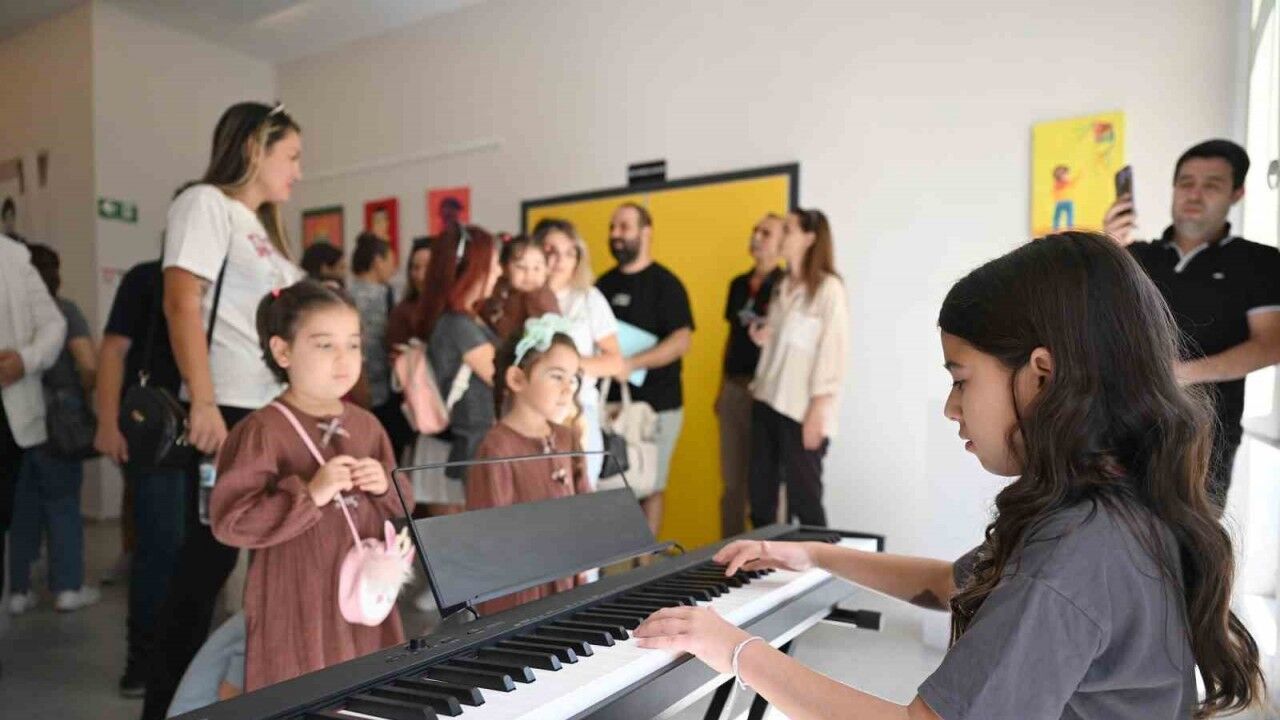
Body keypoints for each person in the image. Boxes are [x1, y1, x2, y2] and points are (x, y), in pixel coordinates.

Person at [634, 232, 1265, 719]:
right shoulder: (1107, 505)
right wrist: (814, 555)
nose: (951, 407)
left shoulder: (1079, 549)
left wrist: (734, 650)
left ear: (1042, 376)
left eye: (961, 380)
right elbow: (947, 584)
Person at [143, 100, 305, 720]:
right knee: (204, 568)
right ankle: (165, 705)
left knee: (268, 566)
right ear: (255, 149)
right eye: (291, 156)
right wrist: (203, 401)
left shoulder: (260, 228)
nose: (297, 171)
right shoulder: (204, 204)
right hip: (227, 409)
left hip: (270, 412)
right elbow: (181, 302)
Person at [210, 280, 410, 691]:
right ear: (282, 351)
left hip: (362, 593)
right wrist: (310, 494)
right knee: (301, 685)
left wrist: (384, 486)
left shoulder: (368, 425)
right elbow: (231, 521)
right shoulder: (261, 430)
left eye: (353, 344)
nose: (343, 359)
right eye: (324, 345)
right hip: (296, 597)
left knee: (367, 686)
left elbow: (401, 501)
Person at [1103, 139, 1280, 508]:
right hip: (1123, 429)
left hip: (1206, 438)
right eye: (1186, 183)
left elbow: (1271, 344)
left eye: (1211, 185)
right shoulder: (1134, 256)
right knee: (1110, 530)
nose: (1194, 194)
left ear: (1237, 193)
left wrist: (1179, 374)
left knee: (1191, 538)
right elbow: (1092, 321)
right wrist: (1106, 250)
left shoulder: (1259, 262)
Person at [95, 252, 188, 696]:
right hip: (154, 433)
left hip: (212, 432)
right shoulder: (147, 277)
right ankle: (143, 665)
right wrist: (106, 422)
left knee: (198, 555)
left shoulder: (226, 274)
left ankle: (184, 661)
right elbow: (113, 350)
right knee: (158, 550)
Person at [467, 315, 589, 616]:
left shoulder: (567, 437)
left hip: (567, 579)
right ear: (517, 379)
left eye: (573, 379)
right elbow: (491, 536)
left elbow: (587, 507)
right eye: (557, 376)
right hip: (519, 594)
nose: (568, 389)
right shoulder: (497, 448)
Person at [7, 244, 100, 613]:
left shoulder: (12, 314)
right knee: (62, 502)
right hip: (61, 418)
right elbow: (87, 363)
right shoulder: (64, 311)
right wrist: (86, 394)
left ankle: (17, 591)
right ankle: (67, 587)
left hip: (16, 414)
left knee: (20, 506)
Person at [596, 203, 694, 534]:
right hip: (608, 406)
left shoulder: (666, 284)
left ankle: (646, 560)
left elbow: (681, 341)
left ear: (646, 232)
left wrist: (632, 363)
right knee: (608, 485)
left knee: (649, 484)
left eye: (624, 227)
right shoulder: (602, 285)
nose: (615, 234)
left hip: (657, 407)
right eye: (612, 227)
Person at [747, 209, 847, 529]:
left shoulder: (828, 289)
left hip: (802, 410)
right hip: (766, 400)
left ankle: (819, 559)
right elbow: (787, 343)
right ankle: (764, 559)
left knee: (805, 501)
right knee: (761, 500)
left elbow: (833, 352)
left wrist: (817, 410)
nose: (781, 235)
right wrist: (764, 336)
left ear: (809, 238)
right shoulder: (781, 286)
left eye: (788, 229)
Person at [533, 218, 624, 486]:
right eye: (551, 251)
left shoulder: (588, 298)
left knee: (581, 488)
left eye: (569, 253)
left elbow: (614, 361)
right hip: (531, 410)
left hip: (578, 407)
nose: (560, 260)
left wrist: (565, 365)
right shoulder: (523, 296)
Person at [717, 214, 784, 537]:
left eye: (766, 233)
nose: (756, 237)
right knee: (732, 482)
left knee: (769, 484)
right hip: (735, 387)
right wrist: (721, 388)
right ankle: (728, 552)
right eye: (755, 231)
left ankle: (773, 550)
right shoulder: (737, 285)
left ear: (782, 242)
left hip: (768, 394)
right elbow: (731, 337)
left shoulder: (787, 286)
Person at [424, 227, 502, 501]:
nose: (499, 272)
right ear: (473, 270)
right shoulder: (459, 326)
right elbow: (505, 379)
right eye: (493, 264)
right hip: (475, 448)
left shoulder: (467, 319)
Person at [348, 231, 410, 458]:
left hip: (352, 388)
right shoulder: (385, 295)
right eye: (391, 261)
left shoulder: (346, 293)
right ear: (377, 261)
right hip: (382, 389)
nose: (394, 268)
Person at [484, 234, 558, 341]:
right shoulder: (498, 289)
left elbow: (550, 332)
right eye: (521, 267)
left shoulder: (540, 297)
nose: (529, 274)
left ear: (547, 270)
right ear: (504, 268)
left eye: (537, 268)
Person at [385, 236, 433, 352]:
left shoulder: (454, 308)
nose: (421, 276)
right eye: (415, 268)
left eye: (428, 267)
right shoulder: (401, 312)